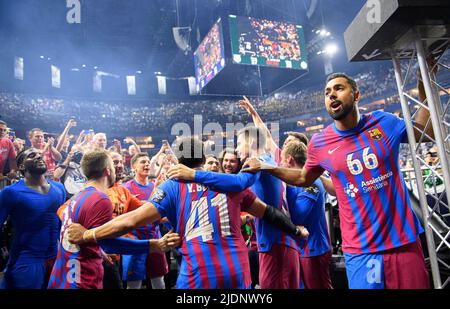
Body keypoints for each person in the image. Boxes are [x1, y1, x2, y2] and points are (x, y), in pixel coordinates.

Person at [243, 72, 432, 289]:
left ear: (356, 94)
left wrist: (424, 82)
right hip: (360, 250)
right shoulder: (320, 143)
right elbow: (304, 177)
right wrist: (268, 167)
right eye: (327, 92)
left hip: (402, 242)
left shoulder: (384, 122)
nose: (332, 94)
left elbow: (424, 132)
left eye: (339, 88)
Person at [67, 137, 307, 289]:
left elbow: (129, 221)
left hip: (197, 276)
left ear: (179, 161)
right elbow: (269, 213)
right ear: (204, 158)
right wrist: (296, 230)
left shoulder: (171, 187)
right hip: (237, 273)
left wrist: (89, 234)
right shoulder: (231, 183)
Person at [167, 128, 303, 289]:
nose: (237, 149)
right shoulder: (269, 160)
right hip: (279, 239)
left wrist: (194, 175)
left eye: (239, 143)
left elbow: (238, 183)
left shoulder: (257, 162)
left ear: (251, 142)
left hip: (274, 242)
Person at [48, 150, 180, 289]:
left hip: (63, 276)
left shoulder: (78, 197)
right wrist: (154, 245)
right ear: (108, 170)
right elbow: (108, 244)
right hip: (83, 278)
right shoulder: (101, 198)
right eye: (114, 163)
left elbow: (142, 211)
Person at [0, 148, 66, 288]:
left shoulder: (59, 188)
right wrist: (2, 246)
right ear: (22, 166)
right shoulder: (11, 193)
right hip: (26, 260)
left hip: (55, 259)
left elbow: (62, 224)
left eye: (40, 155)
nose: (38, 157)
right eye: (32, 155)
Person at [282, 141, 333, 289]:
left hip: (313, 249)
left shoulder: (313, 182)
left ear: (290, 159)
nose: (280, 164)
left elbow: (298, 216)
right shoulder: (301, 182)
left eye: (282, 160)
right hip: (302, 248)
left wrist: (286, 189)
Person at [121, 153, 168, 290]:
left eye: (148, 162)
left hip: (155, 237)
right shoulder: (126, 188)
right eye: (142, 162)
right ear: (133, 166)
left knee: (159, 281)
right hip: (134, 239)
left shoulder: (158, 187)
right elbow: (122, 214)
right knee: (134, 283)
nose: (147, 164)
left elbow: (161, 214)